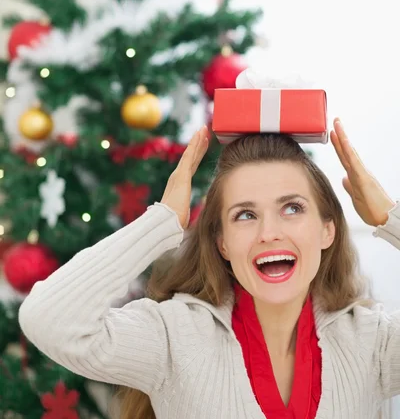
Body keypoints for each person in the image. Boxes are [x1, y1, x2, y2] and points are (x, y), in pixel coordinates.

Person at [18, 118, 400, 419]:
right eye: (245, 215)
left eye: (292, 208)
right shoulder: (172, 338)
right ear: (223, 243)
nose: (269, 233)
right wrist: (162, 222)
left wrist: (389, 217)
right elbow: (48, 318)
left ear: (327, 229)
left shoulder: (373, 343)